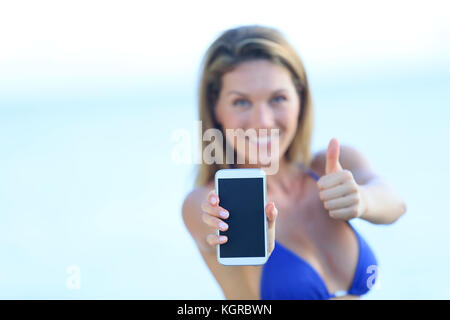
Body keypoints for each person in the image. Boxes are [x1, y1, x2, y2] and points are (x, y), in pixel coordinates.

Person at [182, 25, 406, 300]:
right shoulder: (205, 202)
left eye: (278, 98)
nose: (263, 121)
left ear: (300, 99)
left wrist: (361, 200)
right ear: (217, 109)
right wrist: (236, 229)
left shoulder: (332, 165)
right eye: (241, 102)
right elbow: (209, 228)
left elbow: (396, 204)